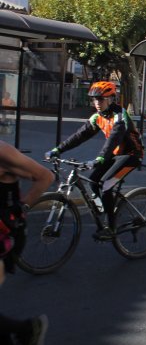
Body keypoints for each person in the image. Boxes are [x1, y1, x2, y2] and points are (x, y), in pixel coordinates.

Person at [45, 81, 144, 240]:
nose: (97, 103)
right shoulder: (97, 117)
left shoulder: (120, 115)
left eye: (101, 99)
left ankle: (111, 228)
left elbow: (114, 137)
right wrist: (58, 150)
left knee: (105, 185)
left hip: (132, 155)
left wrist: (99, 158)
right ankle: (103, 208)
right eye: (94, 99)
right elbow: (79, 136)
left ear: (111, 99)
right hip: (113, 155)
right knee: (93, 181)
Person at [1, 141, 54, 344]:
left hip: (5, 237)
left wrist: (20, 208)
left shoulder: (3, 152)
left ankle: (29, 329)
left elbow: (46, 176)